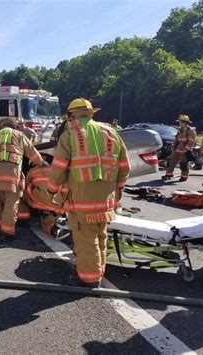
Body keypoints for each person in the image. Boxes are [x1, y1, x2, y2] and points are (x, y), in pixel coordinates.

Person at [46, 98, 130, 287]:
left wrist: (51, 191)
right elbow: (124, 166)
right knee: (101, 234)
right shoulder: (111, 133)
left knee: (86, 238)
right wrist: (119, 189)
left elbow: (58, 168)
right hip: (107, 199)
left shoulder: (70, 135)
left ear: (72, 116)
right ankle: (98, 270)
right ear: (91, 113)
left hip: (83, 201)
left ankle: (89, 279)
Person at [0, 117, 44, 239]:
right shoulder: (19, 135)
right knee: (10, 203)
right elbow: (33, 154)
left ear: (0, 126)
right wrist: (41, 163)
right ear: (14, 126)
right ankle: (7, 232)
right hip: (12, 177)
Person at [162, 114, 197, 182]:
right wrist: (173, 146)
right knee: (171, 161)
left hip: (184, 151)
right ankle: (169, 174)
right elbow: (176, 139)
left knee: (183, 164)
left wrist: (186, 149)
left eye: (180, 122)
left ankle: (184, 176)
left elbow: (191, 141)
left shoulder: (191, 131)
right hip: (177, 149)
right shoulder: (179, 130)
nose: (179, 123)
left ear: (184, 122)